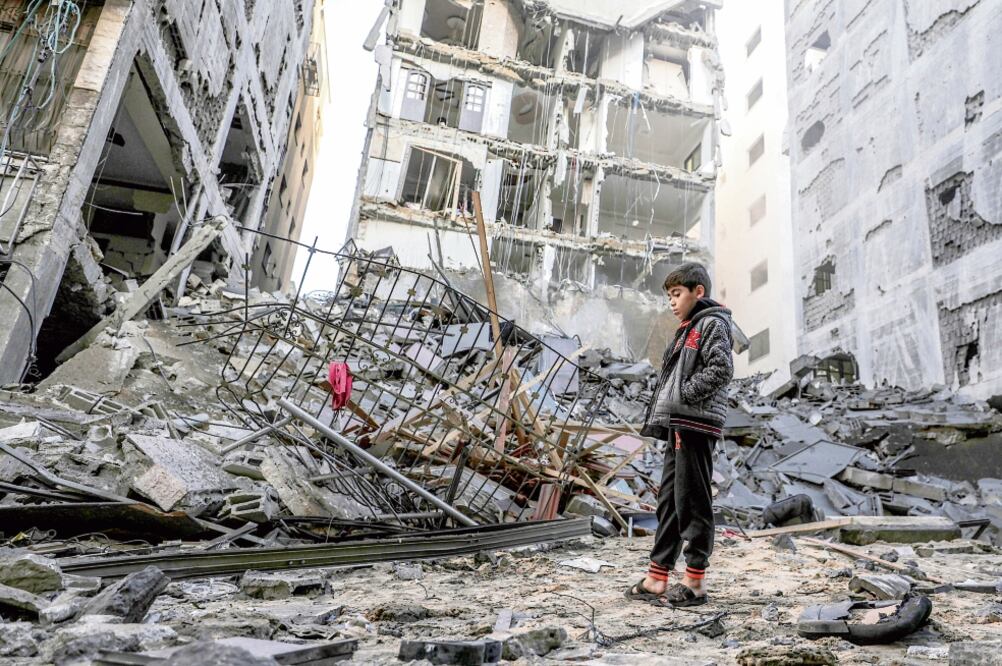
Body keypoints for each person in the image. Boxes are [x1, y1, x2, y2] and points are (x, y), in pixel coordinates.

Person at [625, 262, 733, 607]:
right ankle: (657, 577)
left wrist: (684, 395)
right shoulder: (688, 328)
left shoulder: (712, 323)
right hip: (680, 425)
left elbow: (721, 369)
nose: (672, 302)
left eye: (677, 294)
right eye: (669, 296)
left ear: (698, 292)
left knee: (692, 500)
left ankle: (695, 581)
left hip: (695, 424)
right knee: (670, 500)